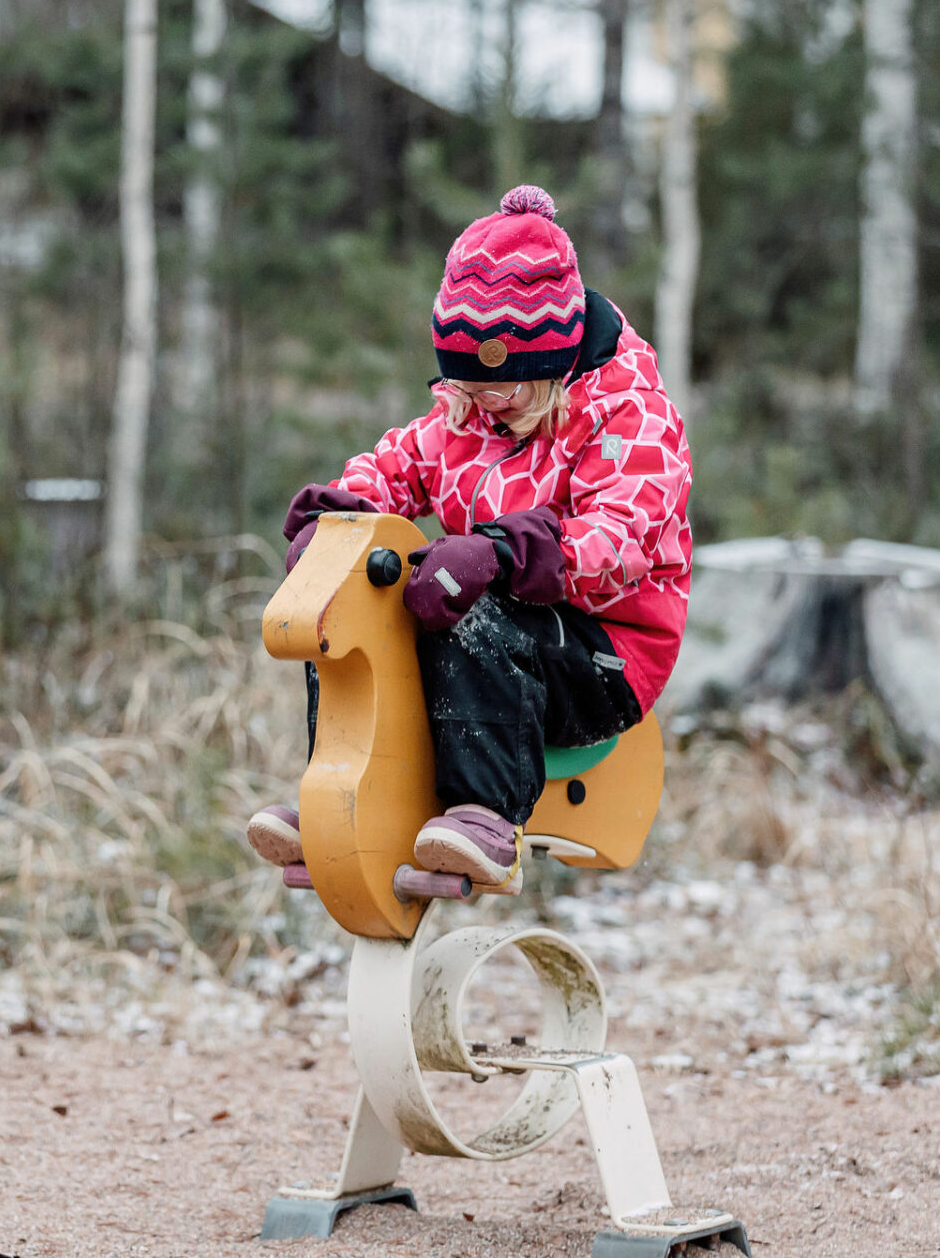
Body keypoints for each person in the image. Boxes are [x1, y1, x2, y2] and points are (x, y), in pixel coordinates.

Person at [246, 185, 692, 895]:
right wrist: (344, 515)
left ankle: (484, 816)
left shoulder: (629, 415)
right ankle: (339, 792)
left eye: (508, 387)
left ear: (555, 360)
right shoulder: (467, 410)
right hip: (507, 621)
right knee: (354, 602)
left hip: (609, 650)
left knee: (480, 617)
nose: (489, 404)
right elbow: (400, 463)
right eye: (472, 386)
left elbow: (622, 538)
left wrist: (505, 554)